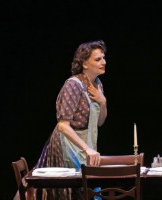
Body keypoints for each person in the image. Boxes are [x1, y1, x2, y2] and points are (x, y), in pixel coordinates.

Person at [34, 40, 107, 199]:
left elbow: (99, 122)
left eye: (103, 58)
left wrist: (103, 102)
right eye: (98, 59)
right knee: (75, 190)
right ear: (84, 64)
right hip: (68, 144)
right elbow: (62, 126)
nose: (103, 62)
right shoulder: (73, 85)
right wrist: (86, 149)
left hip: (86, 142)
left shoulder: (97, 84)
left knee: (90, 188)